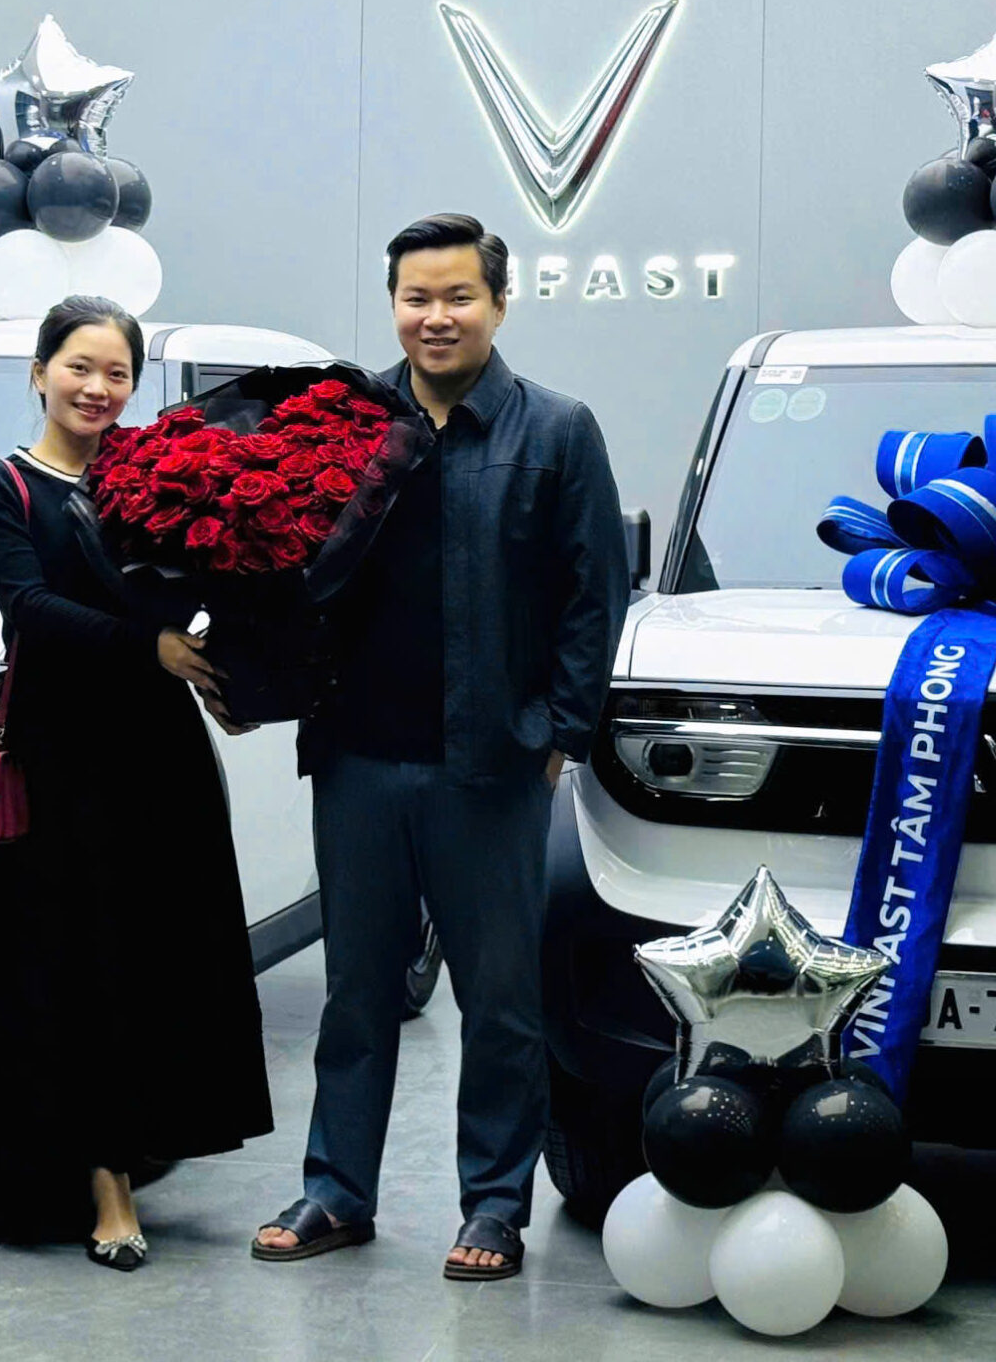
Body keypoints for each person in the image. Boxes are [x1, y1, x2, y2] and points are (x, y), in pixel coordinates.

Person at [253, 212, 630, 1282]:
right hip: (357, 759)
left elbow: (595, 595)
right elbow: (280, 568)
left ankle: (495, 1205)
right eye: (416, 297)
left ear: (499, 304)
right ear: (393, 306)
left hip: (491, 766)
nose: (436, 316)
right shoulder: (344, 426)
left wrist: (557, 735)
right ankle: (337, 1190)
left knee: (499, 1003)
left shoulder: (556, 430)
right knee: (356, 995)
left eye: (458, 296)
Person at [0, 295, 274, 1270]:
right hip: (58, 758)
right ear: (39, 373)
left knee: (154, 960)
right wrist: (152, 648)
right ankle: (104, 1187)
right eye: (79, 367)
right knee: (71, 964)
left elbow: (209, 596)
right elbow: (30, 608)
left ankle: (136, 1146)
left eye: (117, 373)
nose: (97, 388)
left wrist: (228, 668)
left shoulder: (159, 478)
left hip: (157, 752)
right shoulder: (0, 485)